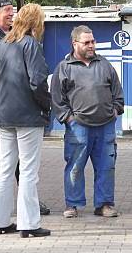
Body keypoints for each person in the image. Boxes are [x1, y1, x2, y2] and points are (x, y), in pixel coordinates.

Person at [0, 0, 49, 219]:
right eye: (6, 10)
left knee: (16, 160)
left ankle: (25, 202)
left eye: (13, 10)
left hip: (11, 109)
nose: (11, 14)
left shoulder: (12, 38)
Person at [0, 3, 51, 238]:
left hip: (5, 115)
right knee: (28, 170)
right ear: (36, 22)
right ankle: (29, 224)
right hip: (28, 116)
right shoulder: (31, 44)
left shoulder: (3, 44)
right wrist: (47, 104)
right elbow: (37, 80)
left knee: (4, 168)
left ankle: (0, 222)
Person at [51, 25, 124, 219]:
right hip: (78, 127)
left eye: (93, 41)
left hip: (106, 126)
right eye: (87, 42)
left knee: (106, 167)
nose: (91, 45)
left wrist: (116, 110)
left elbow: (118, 93)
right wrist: (69, 119)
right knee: (75, 167)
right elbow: (57, 99)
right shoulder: (64, 67)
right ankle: (72, 205)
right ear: (75, 44)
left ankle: (105, 204)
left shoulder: (105, 64)